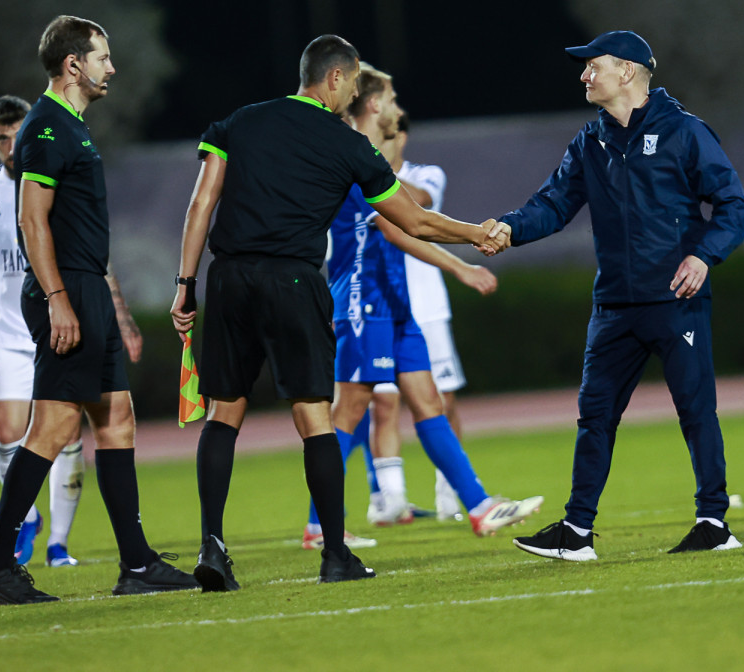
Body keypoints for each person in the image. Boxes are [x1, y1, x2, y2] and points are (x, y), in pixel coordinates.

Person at [171, 35, 509, 591]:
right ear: (334, 77)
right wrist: (477, 234)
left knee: (223, 414)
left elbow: (201, 204)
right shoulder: (347, 143)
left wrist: (185, 285)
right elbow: (413, 220)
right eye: (352, 83)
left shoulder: (241, 121)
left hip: (229, 278)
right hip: (293, 281)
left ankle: (212, 545)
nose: (353, 94)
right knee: (315, 418)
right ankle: (334, 555)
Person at [0, 15, 196, 606]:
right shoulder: (45, 127)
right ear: (73, 65)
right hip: (67, 292)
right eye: (102, 57)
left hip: (85, 288)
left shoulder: (70, 126)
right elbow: (30, 219)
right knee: (55, 426)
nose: (110, 67)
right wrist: (60, 299)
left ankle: (137, 564)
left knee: (116, 418)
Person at [497, 31, 744, 561]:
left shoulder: (684, 131)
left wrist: (704, 256)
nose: (584, 76)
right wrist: (508, 228)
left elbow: (732, 205)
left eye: (594, 66)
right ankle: (577, 532)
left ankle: (713, 523)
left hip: (675, 301)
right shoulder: (589, 142)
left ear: (628, 72)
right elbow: (552, 205)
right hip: (613, 306)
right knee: (594, 418)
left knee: (696, 412)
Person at [307, 65, 542, 543]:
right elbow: (402, 227)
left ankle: (479, 508)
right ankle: (320, 525)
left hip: (396, 303)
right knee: (349, 411)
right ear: (374, 104)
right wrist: (464, 259)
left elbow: (405, 223)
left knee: (428, 402)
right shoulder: (353, 157)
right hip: (364, 301)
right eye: (392, 99)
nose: (398, 109)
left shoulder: (372, 158)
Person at [0, 95, 146, 568]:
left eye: (17, 135)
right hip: (24, 323)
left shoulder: (60, 157)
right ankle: (12, 539)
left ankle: (66, 545)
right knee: (20, 432)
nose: (12, 146)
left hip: (64, 312)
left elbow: (94, 254)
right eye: (3, 138)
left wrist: (120, 318)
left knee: (84, 427)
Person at [366, 109, 491, 523]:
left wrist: (371, 174)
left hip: (428, 307)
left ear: (400, 137)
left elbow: (420, 203)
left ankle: (448, 494)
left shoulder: (425, 174)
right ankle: (389, 501)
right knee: (382, 403)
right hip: (384, 305)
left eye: (389, 134)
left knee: (442, 401)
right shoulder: (357, 179)